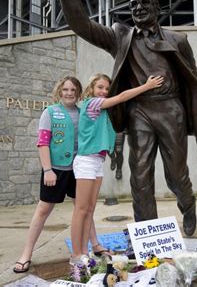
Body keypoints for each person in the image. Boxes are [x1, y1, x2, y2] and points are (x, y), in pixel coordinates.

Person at [53, 0, 197, 237]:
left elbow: (192, 81)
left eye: (145, 3)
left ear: (157, 8)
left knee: (176, 174)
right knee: (140, 176)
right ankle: (149, 233)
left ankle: (188, 204)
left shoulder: (178, 39)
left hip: (170, 108)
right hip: (139, 111)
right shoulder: (120, 37)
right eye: (133, 4)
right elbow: (82, 25)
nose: (138, 8)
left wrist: (192, 118)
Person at [13, 76, 110, 274]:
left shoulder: (84, 111)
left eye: (73, 90)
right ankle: (26, 253)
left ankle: (95, 244)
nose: (69, 93)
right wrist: (48, 170)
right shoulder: (50, 112)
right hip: (55, 171)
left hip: (78, 169)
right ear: (59, 91)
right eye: (65, 89)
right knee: (43, 210)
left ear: (79, 92)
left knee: (83, 209)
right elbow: (43, 143)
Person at [70, 73, 163, 267]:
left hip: (97, 162)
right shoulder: (92, 103)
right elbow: (121, 97)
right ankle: (76, 255)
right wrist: (147, 86)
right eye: (100, 87)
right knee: (81, 209)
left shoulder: (104, 110)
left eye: (106, 89)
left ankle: (85, 251)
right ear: (92, 89)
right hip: (86, 161)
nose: (104, 92)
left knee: (90, 209)